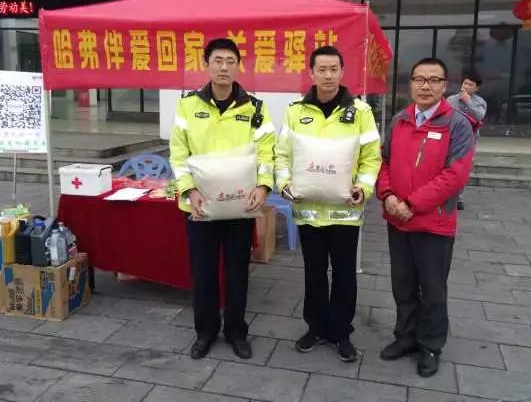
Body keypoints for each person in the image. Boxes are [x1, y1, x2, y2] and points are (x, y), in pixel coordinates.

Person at [169, 38, 275, 360]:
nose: (224, 67)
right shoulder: (188, 106)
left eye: (230, 61)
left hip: (240, 206)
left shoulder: (255, 108)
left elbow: (267, 151)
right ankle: (205, 332)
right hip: (200, 206)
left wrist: (263, 186)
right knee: (203, 273)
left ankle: (236, 331)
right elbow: (178, 153)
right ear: (207, 65)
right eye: (218, 60)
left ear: (238, 66)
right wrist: (189, 189)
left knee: (237, 272)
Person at [275, 45, 382, 362]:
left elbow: (371, 158)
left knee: (345, 274)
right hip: (308, 211)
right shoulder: (295, 111)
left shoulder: (360, 112)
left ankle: (340, 332)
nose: (328, 75)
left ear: (342, 72)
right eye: (321, 69)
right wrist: (284, 184)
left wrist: (363, 187)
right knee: (314, 272)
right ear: (311, 73)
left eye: (334, 69)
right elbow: (282, 155)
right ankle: (316, 327)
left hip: (344, 211)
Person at [376, 57, 474, 378]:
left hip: (434, 224)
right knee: (403, 285)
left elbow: (454, 176)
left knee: (432, 290)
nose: (426, 86)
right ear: (411, 84)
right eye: (419, 79)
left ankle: (430, 345)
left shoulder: (457, 124)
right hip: (398, 220)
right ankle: (405, 337)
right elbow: (384, 162)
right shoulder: (400, 120)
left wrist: (412, 204)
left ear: (445, 86)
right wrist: (388, 195)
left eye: (434, 80)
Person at [446, 73, 487, 210]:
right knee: (447, 165)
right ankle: (445, 194)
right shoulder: (451, 99)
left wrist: (468, 101)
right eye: (465, 83)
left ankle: (458, 197)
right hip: (450, 138)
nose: (466, 86)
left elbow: (480, 116)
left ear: (477, 88)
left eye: (470, 85)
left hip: (469, 140)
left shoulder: (480, 102)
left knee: (463, 168)